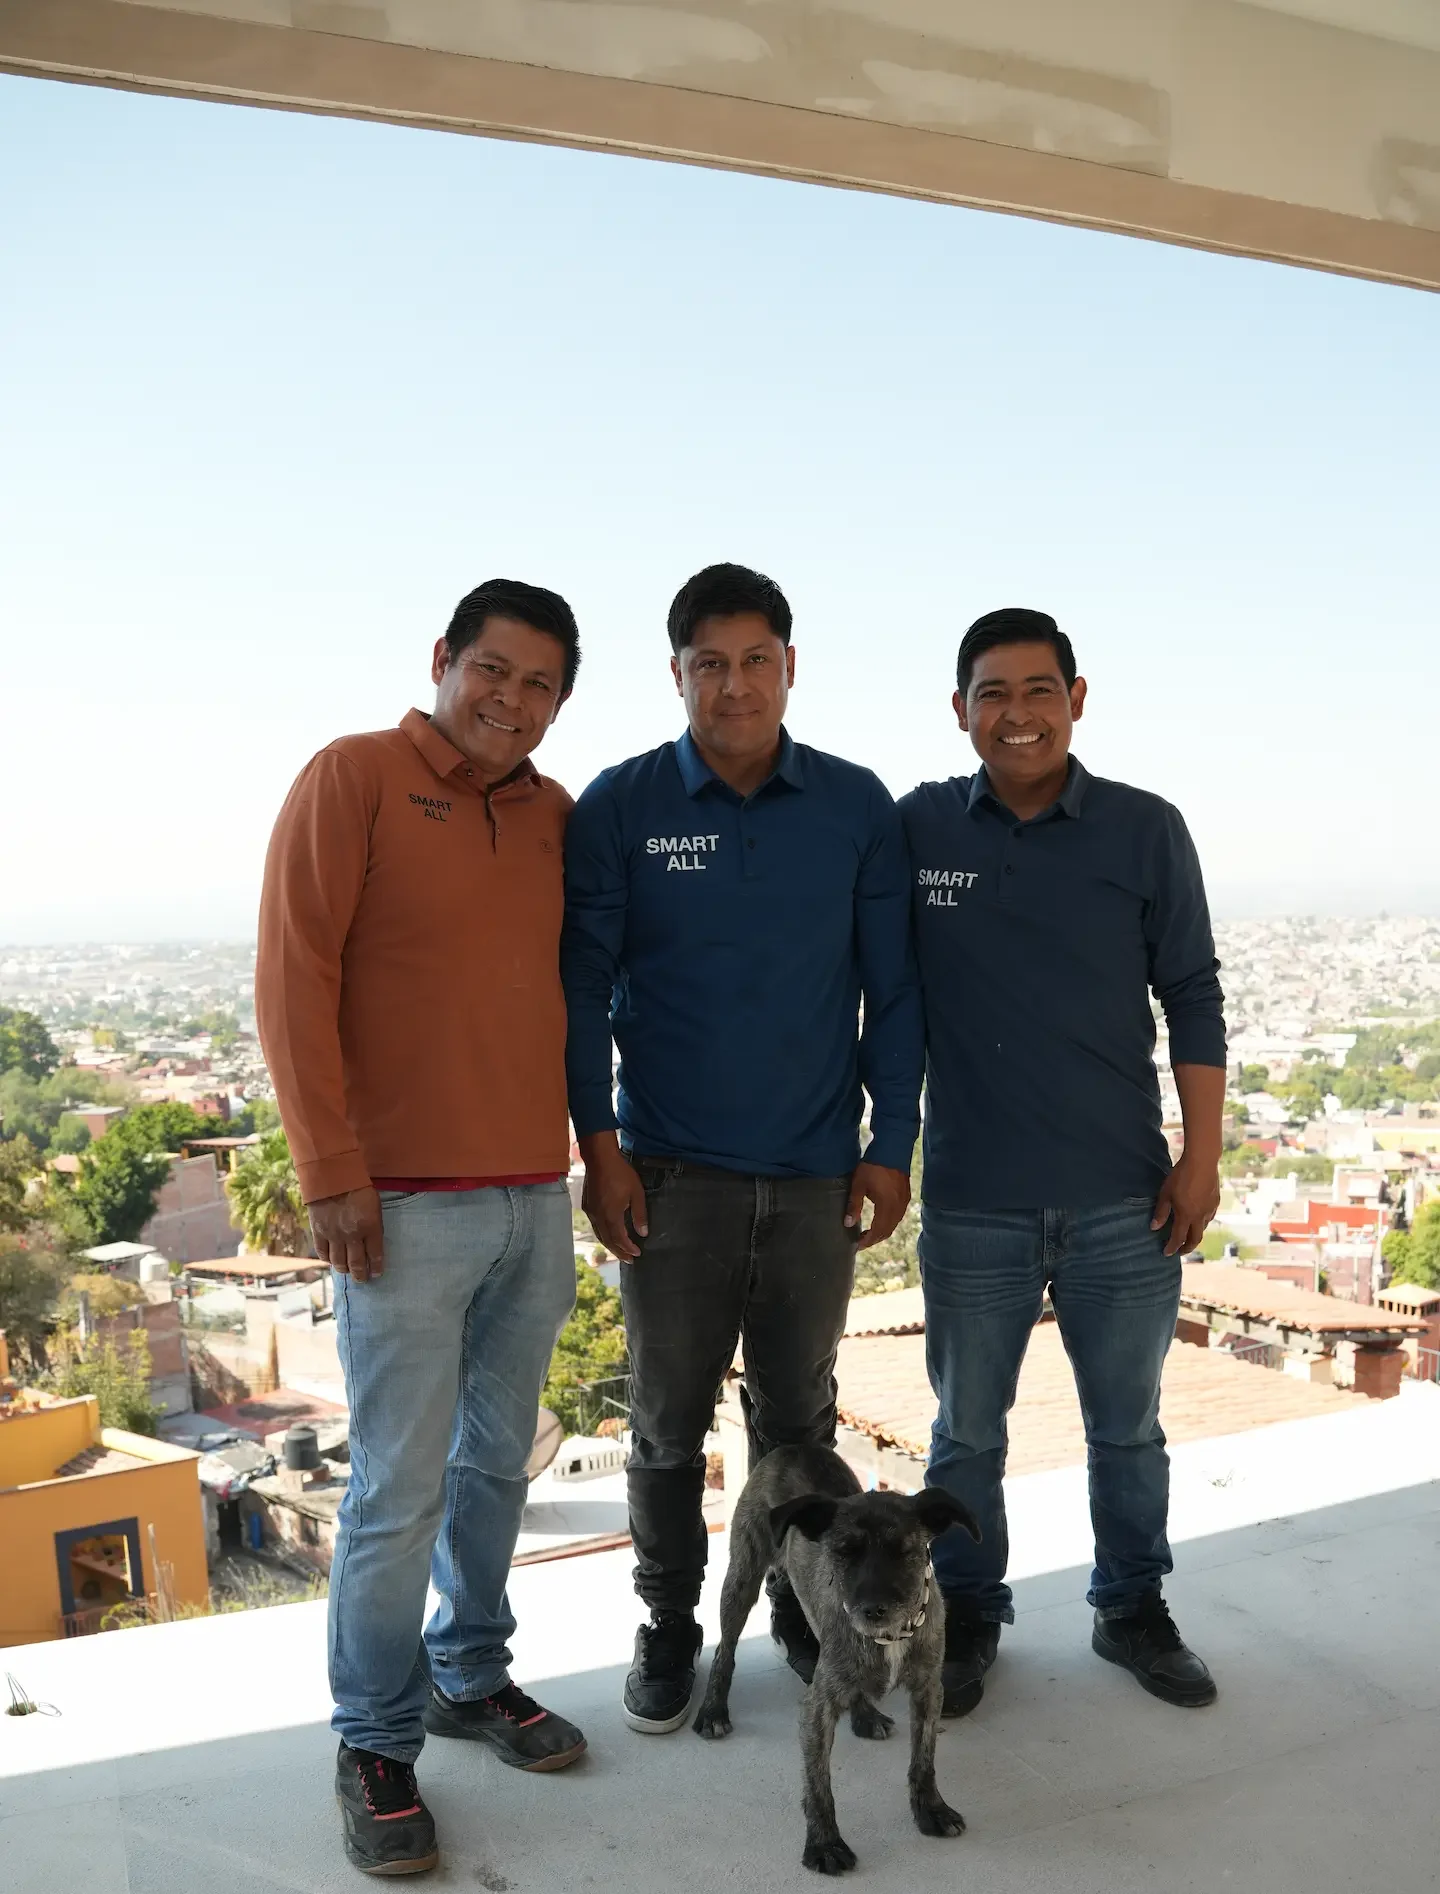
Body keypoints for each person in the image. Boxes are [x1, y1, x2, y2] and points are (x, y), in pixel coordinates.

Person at [256, 579, 589, 1879]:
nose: (510, 701)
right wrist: (331, 1169)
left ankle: (467, 1673)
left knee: (499, 1463)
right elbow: (294, 973)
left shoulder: (557, 817)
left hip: (530, 1197)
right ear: (443, 659)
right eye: (492, 671)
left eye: (540, 686)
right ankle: (376, 1739)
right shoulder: (353, 778)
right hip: (399, 1203)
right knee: (396, 1489)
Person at [562, 563, 925, 1734]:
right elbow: (582, 989)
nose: (733, 685)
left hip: (819, 1172)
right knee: (667, 1426)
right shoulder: (620, 806)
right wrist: (600, 1147)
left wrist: (890, 1142)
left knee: (797, 1428)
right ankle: (670, 1624)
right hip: (671, 1175)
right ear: (676, 674)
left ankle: (798, 1610)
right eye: (707, 664)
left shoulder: (854, 805)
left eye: (754, 659)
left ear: (790, 666)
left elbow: (895, 991)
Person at [900, 607, 1226, 1719]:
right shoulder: (919, 829)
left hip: (1121, 1196)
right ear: (960, 712)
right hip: (973, 1199)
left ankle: (1132, 1604)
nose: (1017, 713)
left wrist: (1203, 1157)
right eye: (993, 693)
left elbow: (1193, 994)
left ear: (1077, 699)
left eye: (1039, 689)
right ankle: (966, 1614)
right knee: (966, 1436)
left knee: (1126, 1428)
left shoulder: (1145, 830)